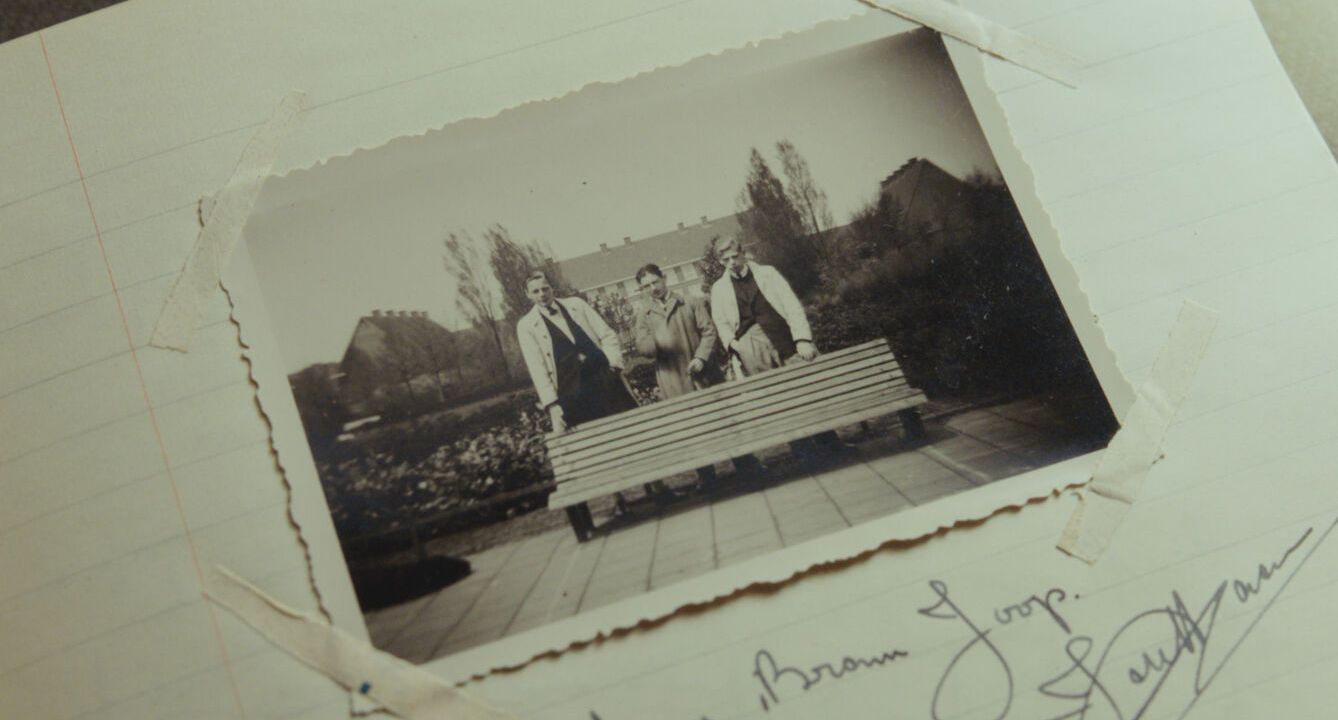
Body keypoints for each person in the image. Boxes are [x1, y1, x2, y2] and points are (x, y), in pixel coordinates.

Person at [708, 235, 845, 458]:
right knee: (776, 401)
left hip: (784, 338)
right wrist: (735, 345)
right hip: (752, 348)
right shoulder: (719, 289)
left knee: (806, 392)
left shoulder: (767, 274)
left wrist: (802, 339)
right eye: (725, 260)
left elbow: (791, 305)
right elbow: (721, 322)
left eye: (734, 257)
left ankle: (832, 447)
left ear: (743, 253)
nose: (732, 263)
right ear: (720, 261)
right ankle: (805, 455)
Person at [632, 263, 750, 489]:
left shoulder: (690, 302)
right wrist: (657, 340)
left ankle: (747, 467)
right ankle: (707, 479)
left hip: (704, 372)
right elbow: (643, 347)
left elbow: (709, 331)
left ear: (664, 278)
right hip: (673, 379)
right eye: (646, 286)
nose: (653, 288)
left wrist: (701, 358)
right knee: (690, 428)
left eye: (655, 282)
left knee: (724, 419)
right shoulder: (644, 316)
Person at [517, 270, 637, 434]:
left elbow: (607, 335)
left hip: (606, 381)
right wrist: (552, 404)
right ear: (527, 294)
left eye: (545, 289)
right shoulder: (527, 326)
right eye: (535, 291)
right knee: (592, 439)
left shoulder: (576, 305)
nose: (542, 294)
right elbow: (537, 368)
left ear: (552, 288)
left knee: (629, 429)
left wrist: (613, 365)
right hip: (571, 394)